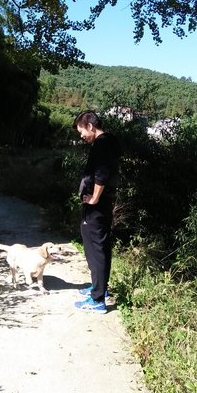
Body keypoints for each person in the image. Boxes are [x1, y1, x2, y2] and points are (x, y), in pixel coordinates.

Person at [73, 110, 120, 313]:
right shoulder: (108, 142)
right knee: (100, 246)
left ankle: (97, 300)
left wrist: (94, 198)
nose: (81, 136)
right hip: (101, 204)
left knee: (96, 248)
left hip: (97, 206)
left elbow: (101, 173)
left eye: (81, 131)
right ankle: (100, 288)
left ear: (90, 126)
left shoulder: (102, 144)